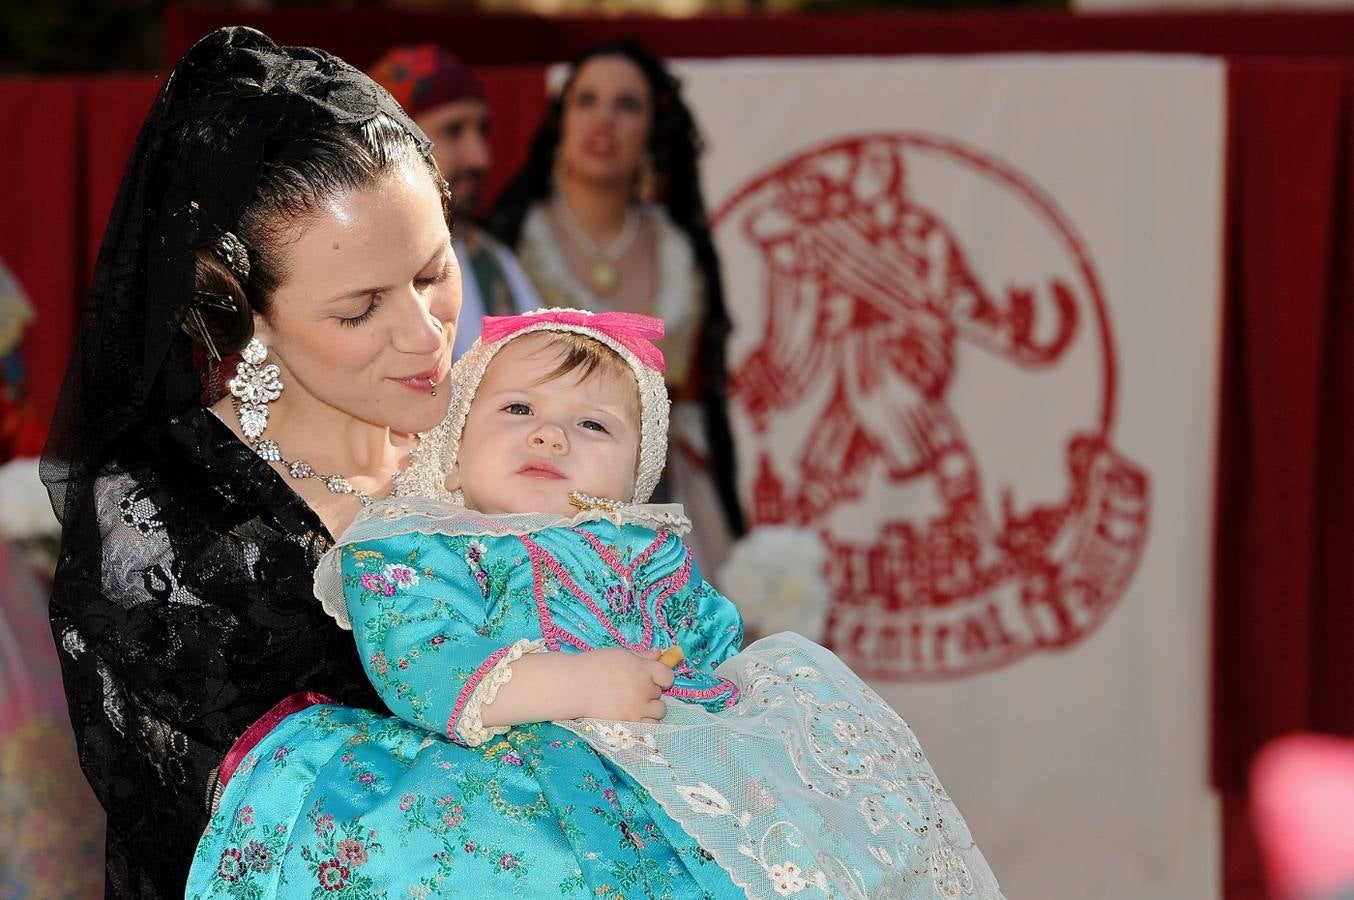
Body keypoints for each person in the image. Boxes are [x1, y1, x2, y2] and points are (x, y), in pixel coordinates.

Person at [186, 308, 1004, 899]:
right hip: (502, 774)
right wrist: (574, 686)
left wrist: (706, 695)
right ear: (454, 446)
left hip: (664, 773)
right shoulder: (421, 546)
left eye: (593, 425)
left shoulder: (649, 552)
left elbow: (706, 640)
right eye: (517, 410)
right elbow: (417, 659)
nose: (551, 436)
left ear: (636, 474)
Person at [40, 27, 463, 897]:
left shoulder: (511, 430)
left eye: (432, 272)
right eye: (360, 310)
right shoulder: (172, 522)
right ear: (243, 315)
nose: (425, 335)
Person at [487, 40, 745, 574]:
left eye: (627, 105)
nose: (603, 118)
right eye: (586, 100)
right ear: (561, 118)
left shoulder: (680, 247)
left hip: (669, 495)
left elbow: (702, 394)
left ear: (653, 129)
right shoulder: (511, 241)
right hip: (541, 494)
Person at [370, 44, 541, 357]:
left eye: (482, 131)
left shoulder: (493, 261)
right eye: (453, 131)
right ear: (394, 140)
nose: (480, 159)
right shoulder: (355, 264)